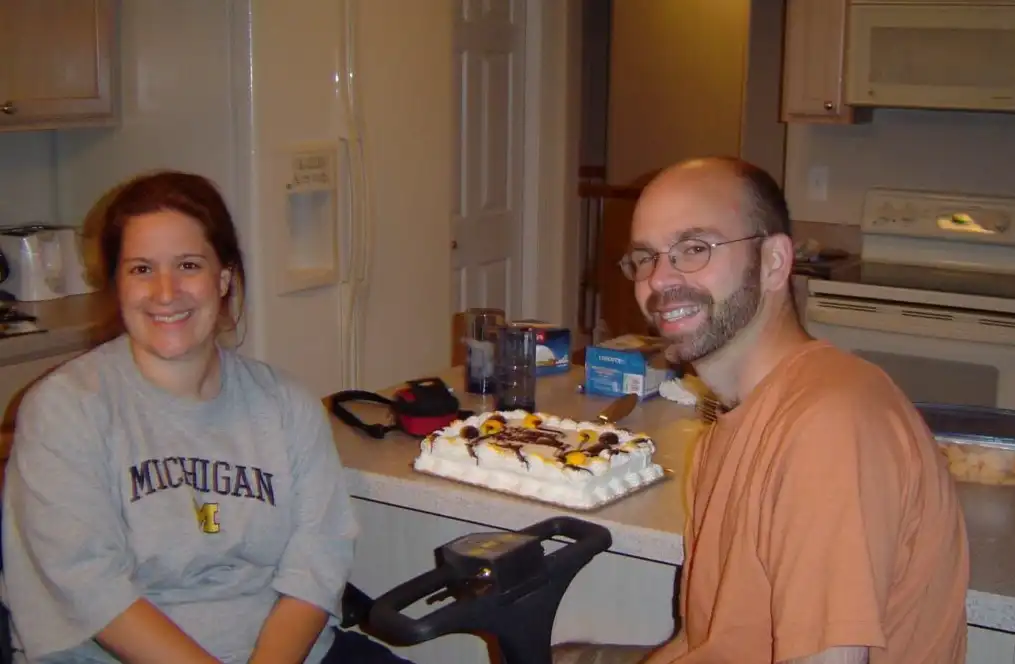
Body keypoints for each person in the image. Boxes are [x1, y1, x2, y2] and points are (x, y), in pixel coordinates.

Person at [553, 157, 969, 664]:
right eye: (645, 257)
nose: (659, 280)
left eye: (694, 248)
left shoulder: (829, 425)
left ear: (774, 262)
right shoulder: (738, 415)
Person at [1, 171, 411, 664]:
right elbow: (93, 590)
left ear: (222, 278)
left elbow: (317, 562)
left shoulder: (286, 405)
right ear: (117, 283)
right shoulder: (65, 409)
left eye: (188, 265)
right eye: (141, 269)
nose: (165, 291)